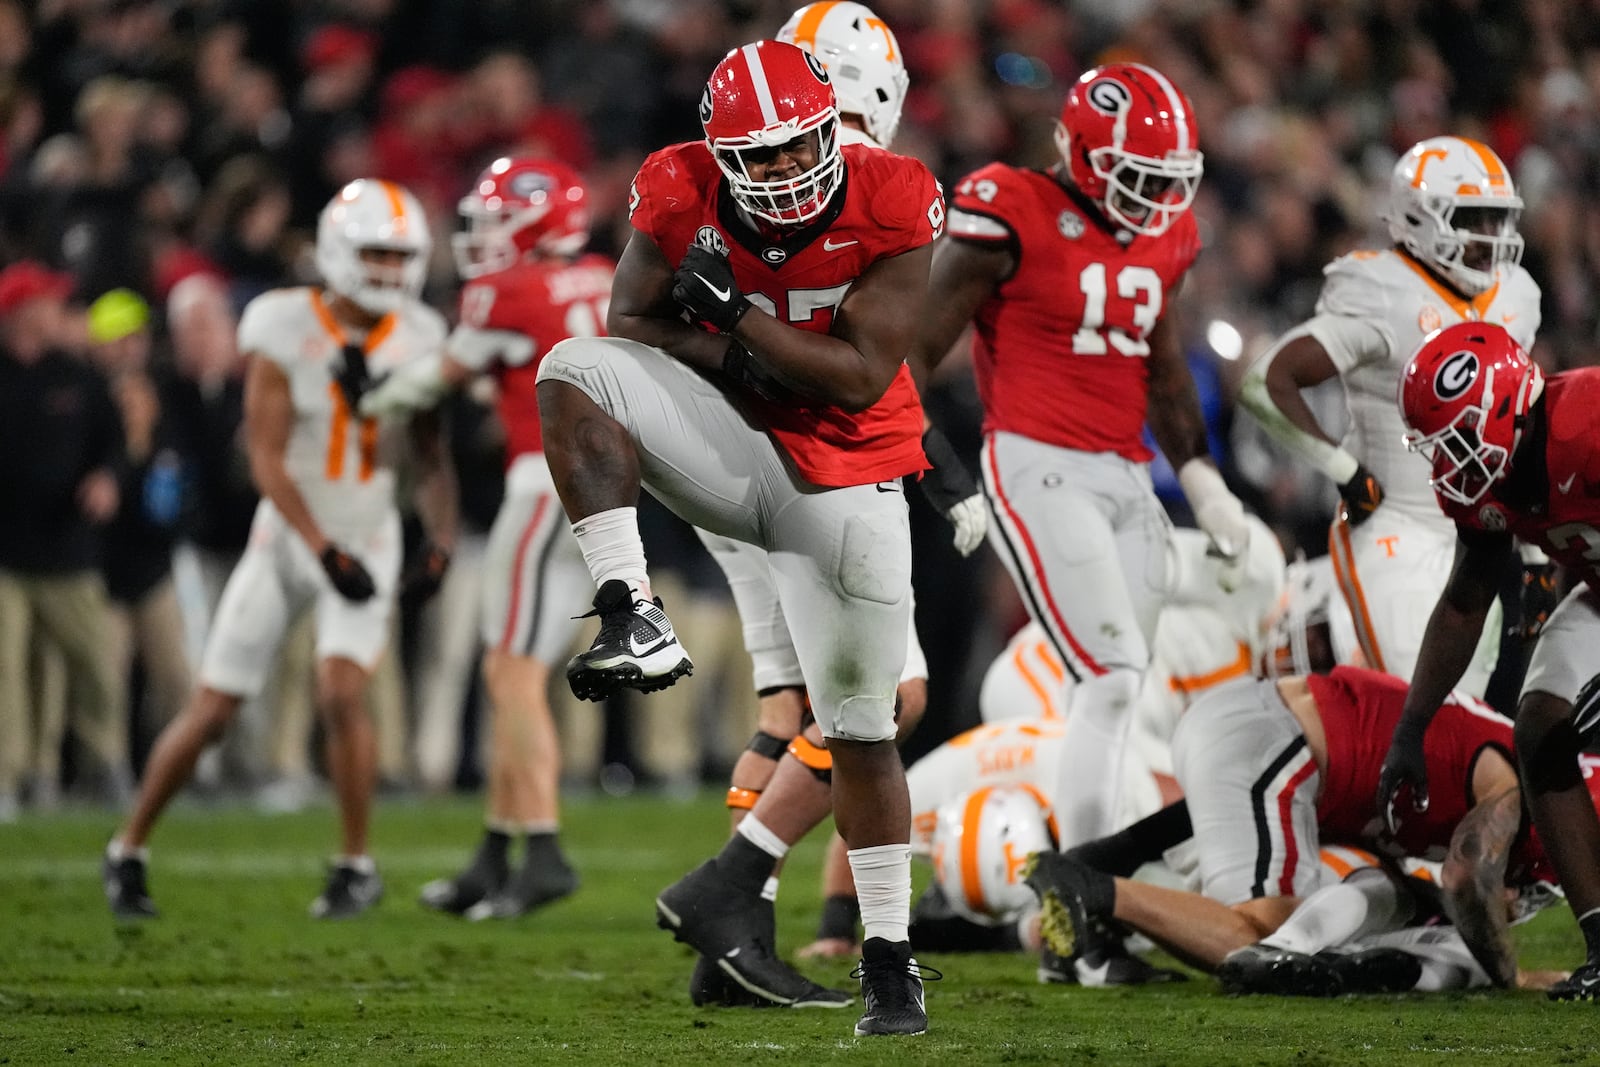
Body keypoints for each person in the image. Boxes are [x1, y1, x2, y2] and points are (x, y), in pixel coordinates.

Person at [534, 40, 942, 1036]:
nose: (779, 174)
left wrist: (739, 324)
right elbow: (627, 319)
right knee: (572, 363)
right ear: (718, 155)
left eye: (797, 146)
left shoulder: (895, 194)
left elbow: (855, 374)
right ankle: (630, 612)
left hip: (846, 473)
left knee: (859, 725)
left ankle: (888, 959)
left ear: (830, 127)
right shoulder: (678, 186)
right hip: (733, 447)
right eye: (753, 159)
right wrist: (726, 345)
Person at [660, 0, 971, 1008]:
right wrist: (943, 469)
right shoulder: (827, 185)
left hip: (735, 457)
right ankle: (736, 883)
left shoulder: (757, 171)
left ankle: (731, 937)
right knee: (884, 702)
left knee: (791, 704)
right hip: (796, 466)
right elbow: (858, 370)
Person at [910, 62, 1249, 854]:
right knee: (1113, 674)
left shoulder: (1168, 232)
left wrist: (1205, 482)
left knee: (1116, 691)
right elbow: (914, 353)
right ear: (1084, 152)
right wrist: (933, 467)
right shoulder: (1013, 209)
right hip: (1036, 461)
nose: (1154, 199)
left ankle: (1087, 879)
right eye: (1136, 176)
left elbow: (1163, 367)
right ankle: (1084, 899)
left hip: (1126, 473)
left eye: (1169, 180)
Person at [103, 178, 456, 920]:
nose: (391, 274)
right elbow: (263, 454)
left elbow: (430, 454)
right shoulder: (279, 321)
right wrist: (322, 549)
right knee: (213, 707)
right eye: (376, 256)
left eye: (400, 258)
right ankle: (128, 846)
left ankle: (356, 864)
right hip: (290, 531)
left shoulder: (423, 334)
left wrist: (442, 537)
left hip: (370, 530)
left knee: (341, 689)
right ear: (335, 251)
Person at [360, 156, 606, 919]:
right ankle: (496, 853)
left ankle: (542, 849)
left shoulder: (505, 289)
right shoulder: (601, 275)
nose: (484, 236)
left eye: (498, 219)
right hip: (611, 495)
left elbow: (431, 379)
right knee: (517, 669)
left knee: (511, 675)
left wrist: (368, 393)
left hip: (543, 486)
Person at [1028, 665, 1567, 988]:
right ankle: (1093, 893)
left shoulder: (1512, 763)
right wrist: (1509, 977)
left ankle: (1088, 904)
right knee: (1269, 939)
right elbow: (1468, 876)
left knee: (1371, 894)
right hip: (1276, 744)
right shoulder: (1525, 787)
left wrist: (1114, 850)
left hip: (1255, 731)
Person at [1239, 137, 1538, 693]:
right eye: (1473, 219)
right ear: (1419, 218)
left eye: (1497, 220)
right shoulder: (1382, 291)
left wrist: (1537, 544)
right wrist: (1343, 471)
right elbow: (1265, 382)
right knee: (1419, 714)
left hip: (1480, 538)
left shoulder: (1517, 294)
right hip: (1395, 530)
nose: (1488, 238)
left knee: (1473, 729)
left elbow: (1523, 419)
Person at [1376, 322, 1600, 1001]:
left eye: (1459, 439)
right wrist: (1411, 727)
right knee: (1540, 726)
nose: (1451, 466)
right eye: (1439, 448)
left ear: (1506, 405)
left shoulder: (1587, 423)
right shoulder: (1486, 484)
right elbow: (1467, 597)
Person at [0, 260, 128, 817]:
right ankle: (11, 778)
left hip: (67, 548)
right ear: (21, 312)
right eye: (50, 303)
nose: (61, 312)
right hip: (3, 550)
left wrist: (108, 478)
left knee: (97, 662)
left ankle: (105, 765)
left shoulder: (77, 375)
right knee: (5, 672)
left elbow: (115, 443)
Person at [86, 288, 193, 765]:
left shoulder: (164, 396)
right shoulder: (80, 397)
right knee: (104, 684)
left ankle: (176, 768)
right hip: (97, 568)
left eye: (137, 338)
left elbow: (174, 482)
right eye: (119, 338)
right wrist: (133, 440)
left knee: (176, 679)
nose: (130, 348)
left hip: (152, 565)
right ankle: (104, 771)